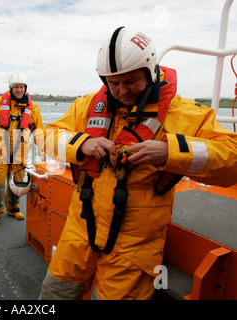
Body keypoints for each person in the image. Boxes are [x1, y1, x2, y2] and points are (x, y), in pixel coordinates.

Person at [39, 27, 237, 300]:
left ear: (151, 72)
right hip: (80, 227)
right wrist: (82, 144)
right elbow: (44, 136)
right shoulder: (86, 107)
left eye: (131, 81)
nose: (122, 91)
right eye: (113, 83)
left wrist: (170, 151)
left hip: (136, 242)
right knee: (55, 292)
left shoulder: (186, 114)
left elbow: (232, 159)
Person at [0, 71, 45, 231]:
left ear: (25, 88)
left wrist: (42, 149)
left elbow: (39, 130)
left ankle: (13, 208)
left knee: (18, 182)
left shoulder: (33, 107)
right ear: (11, 88)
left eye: (21, 87)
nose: (19, 90)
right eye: (16, 87)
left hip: (20, 151)